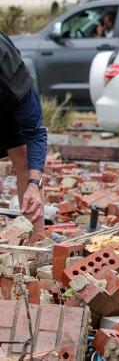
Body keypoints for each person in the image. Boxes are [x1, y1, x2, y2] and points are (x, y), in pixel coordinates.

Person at [0, 32, 46, 235]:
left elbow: (35, 133)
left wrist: (34, 184)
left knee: (24, 159)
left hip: (7, 96)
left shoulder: (14, 82)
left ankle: (37, 245)